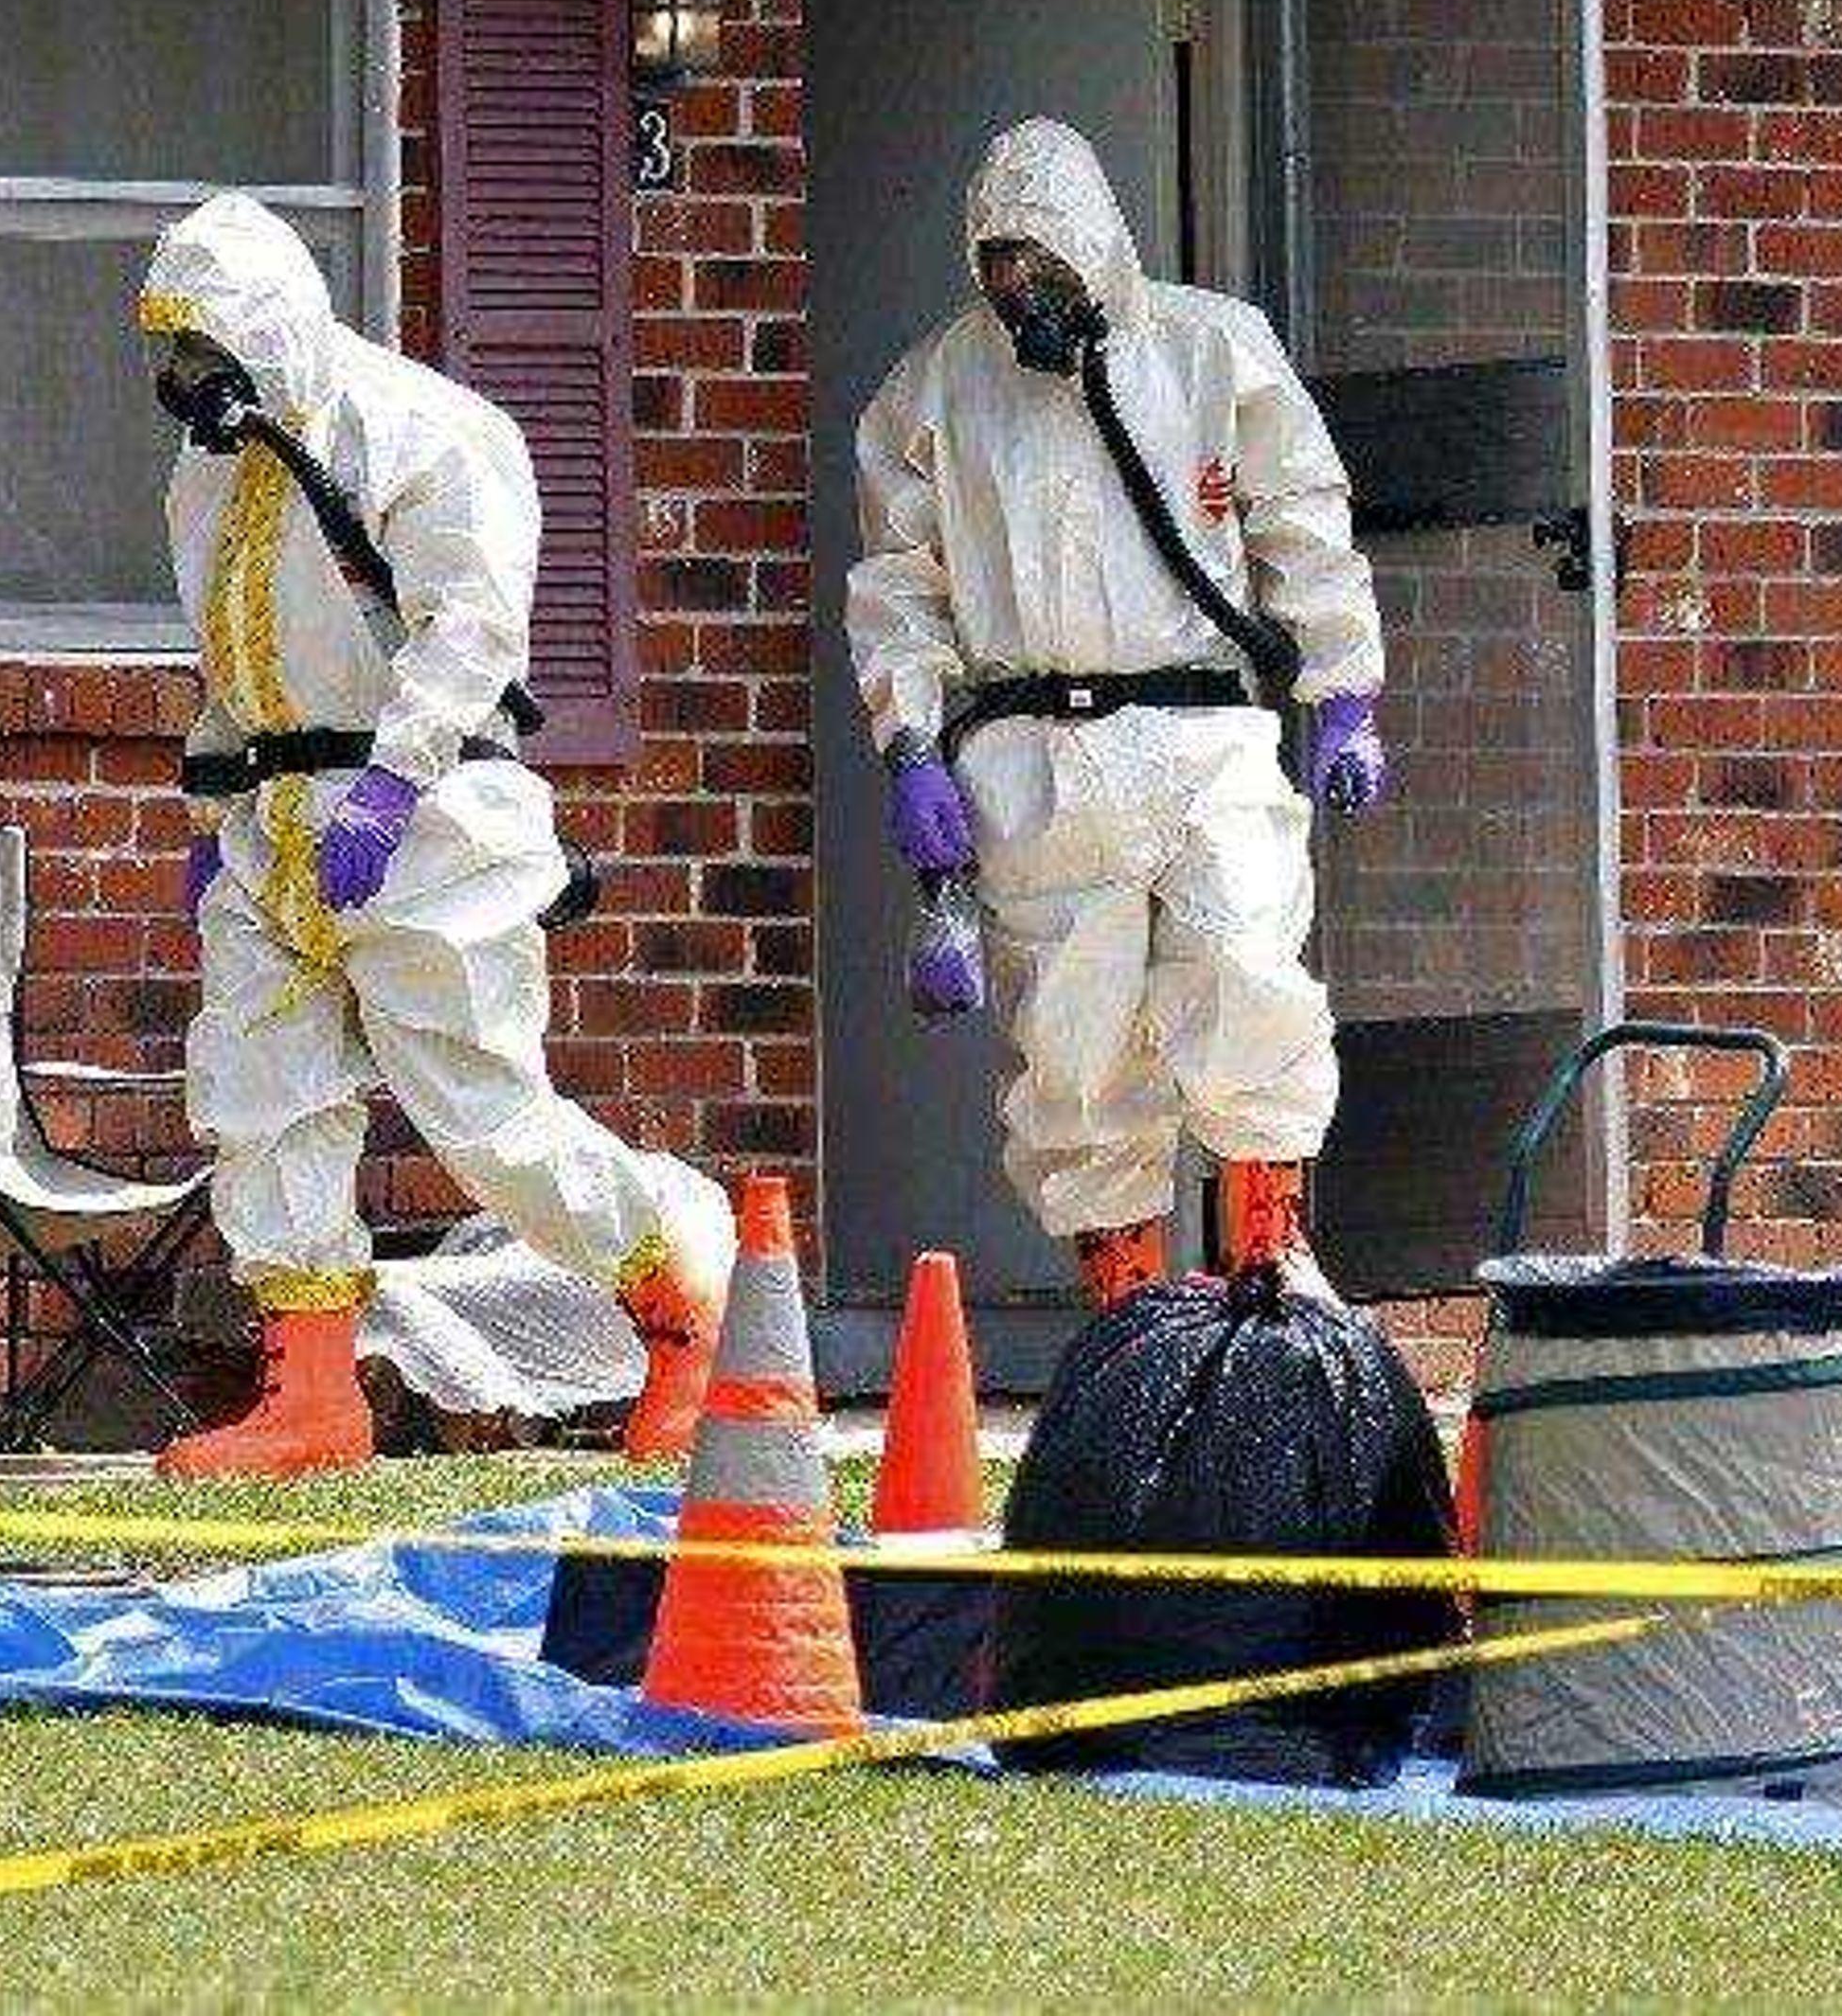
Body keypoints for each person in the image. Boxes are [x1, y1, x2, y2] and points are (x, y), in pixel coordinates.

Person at [140, 191, 732, 1478]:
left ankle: (687, 1308)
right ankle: (311, 1398)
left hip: (424, 817)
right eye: (170, 353)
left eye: (203, 350)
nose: (185, 382)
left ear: (265, 333)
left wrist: (395, 785)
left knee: (482, 1117)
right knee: (263, 1101)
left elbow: (470, 627)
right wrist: (211, 803)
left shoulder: (423, 429)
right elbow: (232, 652)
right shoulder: (211, 473)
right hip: (273, 818)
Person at [848, 118, 1386, 1311]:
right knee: (1074, 1048)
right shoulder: (936, 389)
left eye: (1045, 266)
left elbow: (1301, 517)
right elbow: (899, 584)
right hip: (1033, 757)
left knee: (1249, 974)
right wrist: (910, 740)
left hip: (1203, 734)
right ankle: (1125, 1305)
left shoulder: (1210, 351)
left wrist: (1343, 690)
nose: (1025, 293)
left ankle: (1273, 1266)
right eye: (1003, 270)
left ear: (1098, 248)